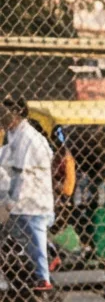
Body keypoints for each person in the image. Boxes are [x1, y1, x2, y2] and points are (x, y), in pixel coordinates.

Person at [0, 92, 56, 290]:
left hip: (32, 198)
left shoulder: (27, 137)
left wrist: (11, 200)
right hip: (23, 198)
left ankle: (43, 277)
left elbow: (20, 172)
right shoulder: (13, 133)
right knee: (22, 235)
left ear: (16, 114)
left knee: (34, 236)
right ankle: (46, 262)